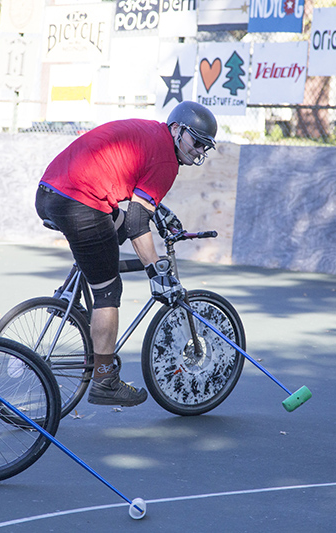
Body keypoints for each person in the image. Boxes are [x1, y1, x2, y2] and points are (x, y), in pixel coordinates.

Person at [35, 100, 218, 407]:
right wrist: (157, 272)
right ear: (177, 129)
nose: (199, 151)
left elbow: (134, 204)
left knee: (110, 237)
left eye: (205, 147)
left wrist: (157, 211)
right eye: (196, 142)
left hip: (49, 192)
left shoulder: (152, 134)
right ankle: (105, 379)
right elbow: (136, 221)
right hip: (80, 202)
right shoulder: (167, 162)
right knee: (109, 289)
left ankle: (71, 289)